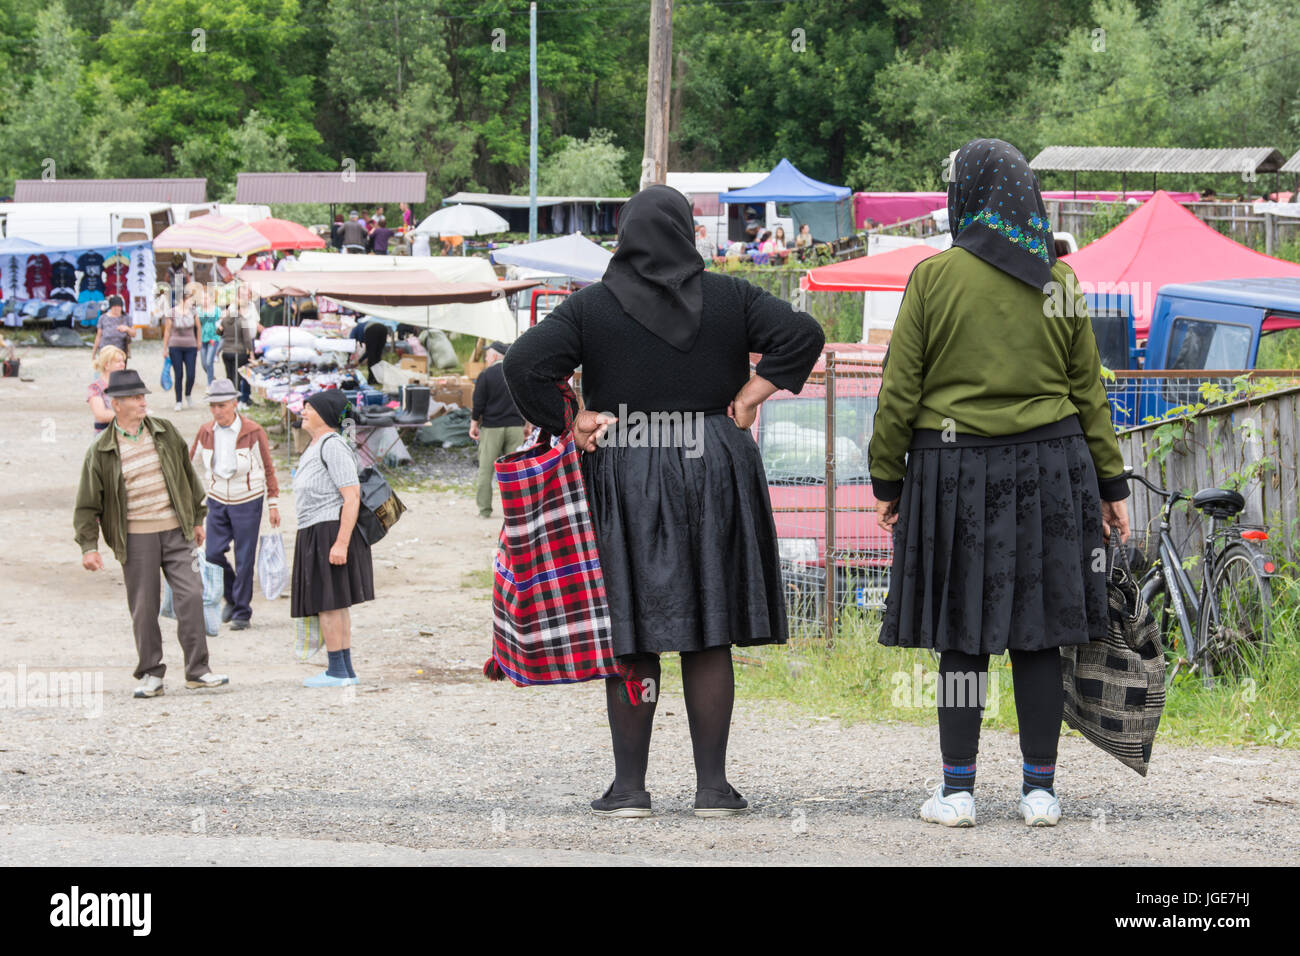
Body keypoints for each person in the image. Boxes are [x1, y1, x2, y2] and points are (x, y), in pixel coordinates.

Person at [503, 185, 824, 818]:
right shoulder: (732, 298)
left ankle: (629, 790)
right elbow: (803, 333)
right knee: (709, 634)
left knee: (634, 630)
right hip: (714, 464)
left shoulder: (591, 308)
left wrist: (570, 418)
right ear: (686, 232)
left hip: (628, 467)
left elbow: (522, 365)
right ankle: (712, 791)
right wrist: (754, 392)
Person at [868, 138, 1131, 829]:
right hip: (1051, 468)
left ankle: (957, 793)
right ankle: (1039, 793)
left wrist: (885, 479)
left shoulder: (934, 277)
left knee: (963, 630)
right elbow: (1087, 394)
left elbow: (900, 391)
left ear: (968, 197)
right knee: (1038, 633)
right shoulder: (1060, 281)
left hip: (952, 473)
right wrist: (1113, 485)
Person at [74, 369, 230, 699]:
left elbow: (188, 476)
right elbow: (88, 503)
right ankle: (150, 673)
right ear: (116, 404)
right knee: (144, 606)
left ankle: (198, 670)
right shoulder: (101, 450)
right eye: (134, 397)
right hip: (136, 537)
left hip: (177, 531)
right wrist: (89, 546)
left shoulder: (164, 431)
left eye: (143, 395)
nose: (143, 400)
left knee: (191, 596)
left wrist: (198, 518)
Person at [291, 389, 374, 687]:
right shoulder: (316, 445)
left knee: (329, 603)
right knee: (334, 603)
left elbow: (351, 496)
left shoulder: (333, 445)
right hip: (317, 529)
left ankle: (338, 670)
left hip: (329, 530)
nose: (302, 412)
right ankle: (344, 671)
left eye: (309, 408)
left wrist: (341, 542)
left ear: (325, 415)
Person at [190, 379, 281, 630]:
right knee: (213, 553)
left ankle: (242, 611)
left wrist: (273, 503)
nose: (217, 411)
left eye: (222, 405)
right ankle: (230, 596)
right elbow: (191, 465)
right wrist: (195, 498)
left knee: (244, 558)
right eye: (213, 406)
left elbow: (268, 468)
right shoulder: (206, 432)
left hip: (247, 501)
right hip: (217, 499)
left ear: (234, 404)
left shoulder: (252, 431)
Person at [469, 341, 525, 519]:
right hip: (516, 427)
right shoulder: (516, 373)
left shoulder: (486, 374)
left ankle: (485, 510)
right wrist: (528, 424)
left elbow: (478, 402)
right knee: (515, 470)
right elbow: (526, 399)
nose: (485, 358)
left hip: (492, 427)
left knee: (486, 469)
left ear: (494, 356)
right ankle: (517, 511)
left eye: (487, 355)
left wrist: (474, 423)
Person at [219, 287, 260, 408]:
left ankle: (244, 397)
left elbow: (219, 331)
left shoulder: (252, 307)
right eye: (242, 294)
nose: (244, 297)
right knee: (239, 374)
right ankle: (237, 399)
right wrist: (251, 352)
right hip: (241, 345)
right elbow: (245, 336)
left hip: (240, 344)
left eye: (247, 294)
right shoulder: (237, 314)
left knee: (239, 374)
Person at [162, 284, 201, 410]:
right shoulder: (172, 313)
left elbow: (198, 327)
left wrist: (198, 341)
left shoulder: (193, 311)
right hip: (175, 345)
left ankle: (188, 394)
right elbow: (167, 330)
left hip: (190, 345)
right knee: (178, 374)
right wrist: (165, 348)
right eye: (189, 299)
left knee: (191, 374)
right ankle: (178, 400)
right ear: (182, 299)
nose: (191, 301)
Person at [88, 345, 126, 432]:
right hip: (106, 436)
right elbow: (101, 415)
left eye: (123, 361)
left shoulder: (125, 384)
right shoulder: (95, 387)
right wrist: (128, 415)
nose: (123, 364)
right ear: (107, 365)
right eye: (118, 362)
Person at [197, 285, 223, 385]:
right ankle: (212, 378)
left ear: (211, 299)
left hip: (213, 338)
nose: (204, 300)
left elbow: (220, 324)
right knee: (204, 364)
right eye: (203, 298)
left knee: (209, 362)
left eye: (206, 298)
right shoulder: (199, 311)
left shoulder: (216, 310)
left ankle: (210, 385)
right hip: (203, 338)